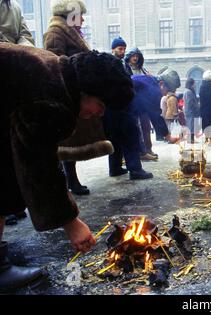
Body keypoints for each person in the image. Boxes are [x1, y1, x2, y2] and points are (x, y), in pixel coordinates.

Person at [0, 43, 134, 290]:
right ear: (88, 90)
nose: (99, 114)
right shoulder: (52, 97)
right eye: (101, 106)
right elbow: (38, 165)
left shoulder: (56, 72)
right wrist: (71, 223)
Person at [44, 0, 113, 196]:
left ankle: (71, 181)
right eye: (79, 14)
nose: (82, 18)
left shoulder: (72, 32)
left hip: (78, 92)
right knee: (67, 140)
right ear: (69, 13)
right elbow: (56, 63)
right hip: (69, 93)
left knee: (72, 139)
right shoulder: (56, 32)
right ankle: (68, 182)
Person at [0, 0, 35, 225]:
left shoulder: (15, 8)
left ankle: (8, 205)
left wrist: (21, 53)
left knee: (9, 148)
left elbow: (26, 36)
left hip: (10, 77)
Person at [103, 37, 154, 180]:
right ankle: (135, 170)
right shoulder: (111, 63)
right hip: (120, 106)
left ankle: (115, 167)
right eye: (120, 49)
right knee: (131, 136)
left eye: (124, 49)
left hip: (115, 107)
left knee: (116, 139)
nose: (122, 51)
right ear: (113, 49)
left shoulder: (119, 63)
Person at [124, 47, 158, 161]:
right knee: (134, 128)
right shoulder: (125, 68)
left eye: (137, 56)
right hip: (132, 101)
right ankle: (140, 151)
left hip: (142, 102)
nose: (135, 58)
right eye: (133, 56)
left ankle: (148, 149)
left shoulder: (142, 69)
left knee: (146, 126)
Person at [129, 73, 181, 147]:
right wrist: (168, 136)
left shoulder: (150, 81)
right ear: (161, 84)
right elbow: (156, 114)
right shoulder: (154, 89)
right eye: (167, 91)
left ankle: (142, 153)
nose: (166, 94)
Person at [184, 78, 200, 143]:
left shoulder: (187, 91)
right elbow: (190, 102)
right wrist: (196, 105)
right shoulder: (188, 91)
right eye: (194, 84)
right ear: (191, 84)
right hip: (190, 111)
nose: (195, 85)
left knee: (190, 125)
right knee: (191, 125)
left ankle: (191, 139)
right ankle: (190, 139)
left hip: (189, 111)